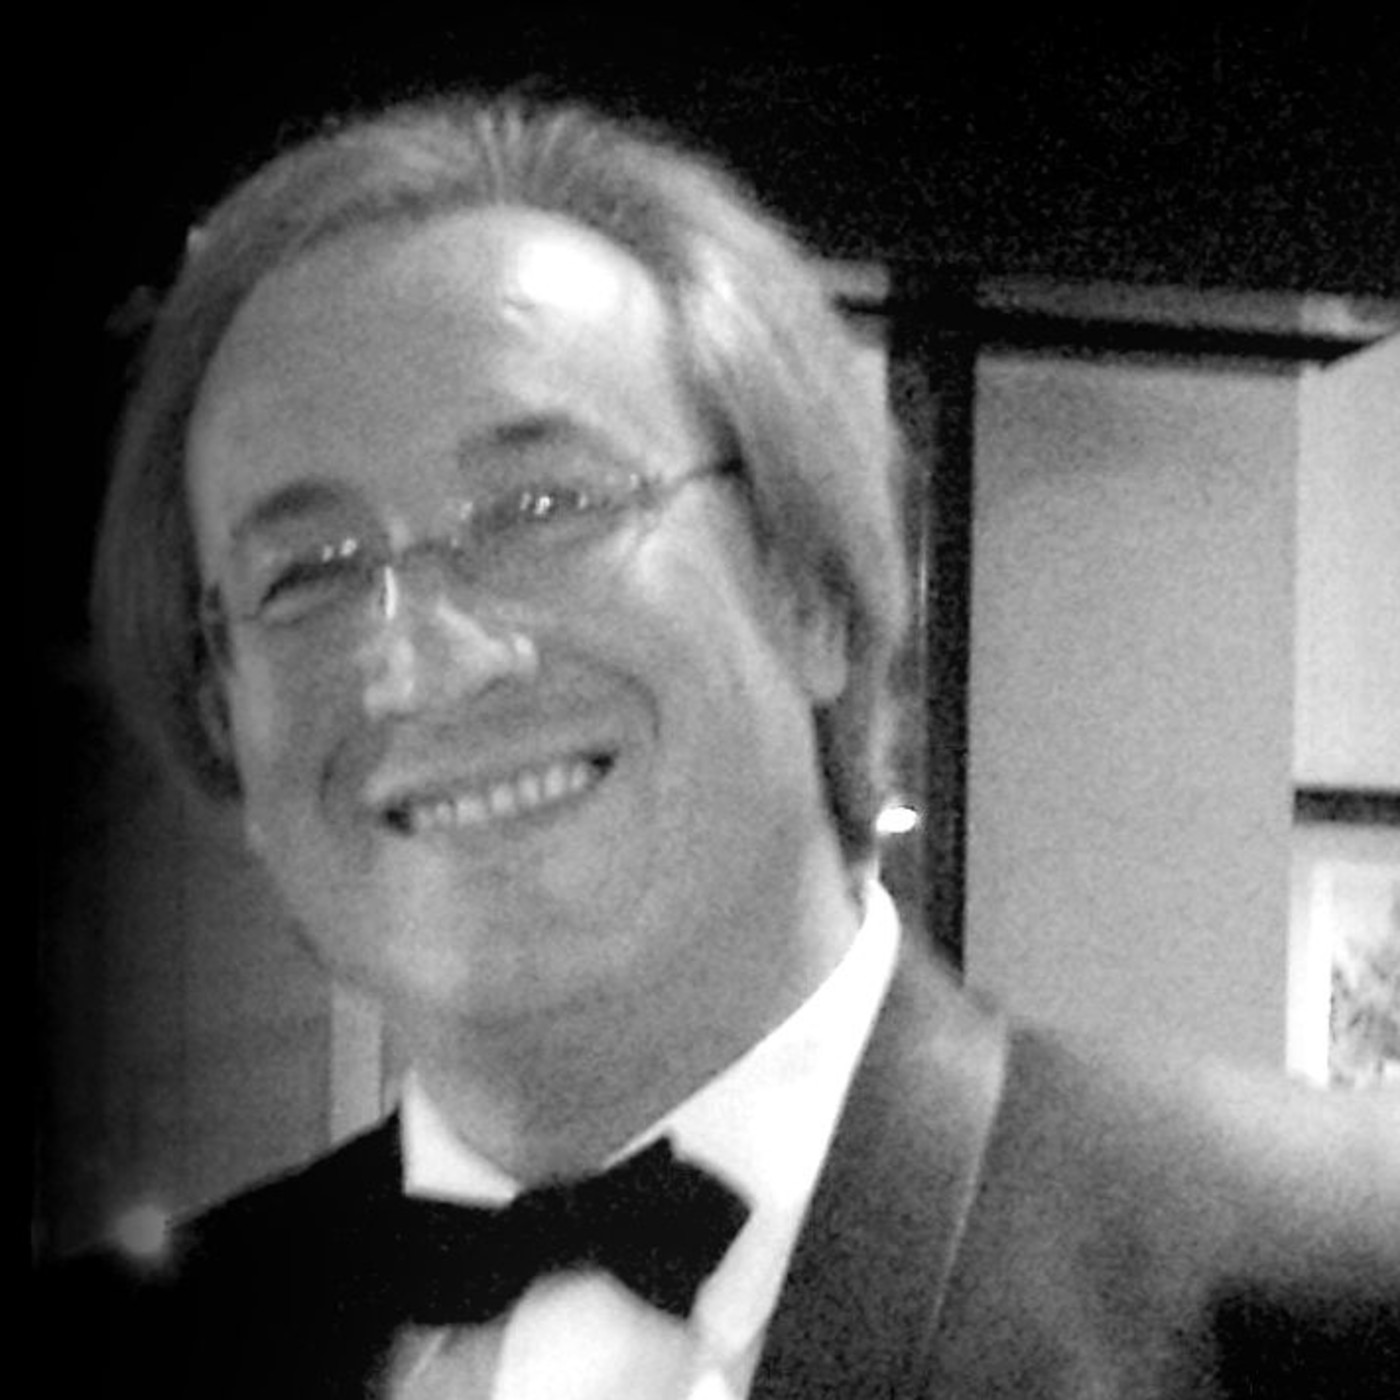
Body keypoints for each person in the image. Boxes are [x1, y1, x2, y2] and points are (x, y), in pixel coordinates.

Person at [43, 93, 1399, 1397]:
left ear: (808, 590)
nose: (427, 660)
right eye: (308, 573)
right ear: (225, 720)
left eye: (543, 506)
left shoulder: (1341, 1282)